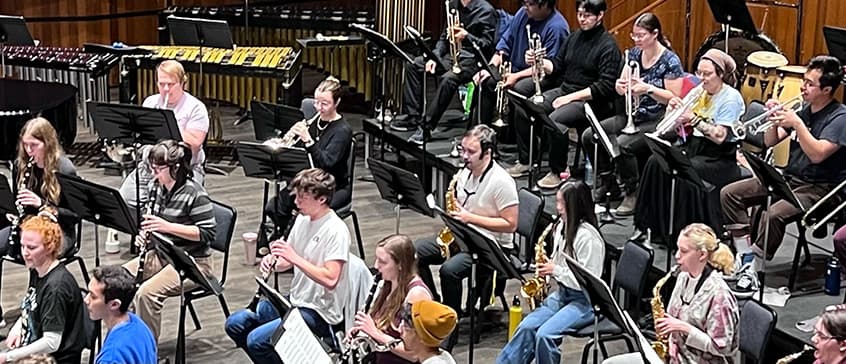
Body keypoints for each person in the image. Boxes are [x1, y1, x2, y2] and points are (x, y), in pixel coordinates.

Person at [721, 55, 846, 275]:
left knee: (773, 214)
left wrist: (797, 124)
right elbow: (770, 141)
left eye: (810, 83)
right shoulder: (804, 109)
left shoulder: (839, 117)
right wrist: (773, 117)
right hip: (789, 179)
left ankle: (754, 269)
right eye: (804, 80)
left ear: (827, 90)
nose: (803, 87)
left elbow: (818, 154)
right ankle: (745, 254)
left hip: (819, 189)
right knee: (730, 194)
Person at [225, 168, 350, 364]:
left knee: (256, 341)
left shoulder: (336, 230)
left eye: (303, 197)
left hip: (320, 312)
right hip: (296, 299)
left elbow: (331, 279)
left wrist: (294, 258)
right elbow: (285, 262)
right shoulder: (301, 219)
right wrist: (274, 263)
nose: (297, 202)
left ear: (322, 199)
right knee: (235, 324)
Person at [413, 124, 518, 347]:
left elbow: (510, 224)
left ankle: (450, 323)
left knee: (449, 270)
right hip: (464, 237)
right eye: (462, 150)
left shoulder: (501, 182)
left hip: (491, 246)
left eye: (470, 152)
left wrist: (469, 218)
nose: (464, 156)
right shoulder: (463, 174)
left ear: (487, 153)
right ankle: (435, 304)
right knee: (414, 253)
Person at [632, 48, 745, 245]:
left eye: (707, 74)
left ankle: (680, 235)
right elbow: (670, 127)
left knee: (684, 172)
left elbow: (720, 136)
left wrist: (694, 120)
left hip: (719, 158)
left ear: (720, 74)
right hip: (694, 147)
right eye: (699, 73)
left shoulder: (730, 98)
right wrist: (671, 112)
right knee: (654, 162)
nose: (702, 78)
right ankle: (648, 226)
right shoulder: (699, 90)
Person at [510, 0, 622, 189]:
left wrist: (569, 98)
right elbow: (558, 65)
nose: (582, 19)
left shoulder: (608, 45)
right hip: (567, 89)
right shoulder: (574, 37)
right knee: (525, 106)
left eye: (587, 15)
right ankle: (526, 159)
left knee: (556, 120)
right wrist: (540, 60)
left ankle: (558, 171)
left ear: (600, 15)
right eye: (579, 14)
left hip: (591, 100)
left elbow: (604, 87)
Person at [580, 12, 684, 214]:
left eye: (641, 35)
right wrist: (621, 86)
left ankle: (632, 192)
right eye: (634, 35)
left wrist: (647, 89)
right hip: (632, 115)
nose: (636, 40)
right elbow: (622, 84)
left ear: (655, 34)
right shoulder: (634, 55)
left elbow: (674, 98)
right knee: (590, 135)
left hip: (658, 118)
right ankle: (608, 182)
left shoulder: (670, 61)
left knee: (624, 145)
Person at [497, 180, 604, 364]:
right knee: (526, 327)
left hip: (586, 301)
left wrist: (556, 270)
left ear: (574, 206)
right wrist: (547, 268)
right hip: (563, 294)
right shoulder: (562, 226)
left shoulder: (589, 239)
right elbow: (558, 259)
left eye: (561, 203)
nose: (558, 208)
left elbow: (588, 281)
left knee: (545, 335)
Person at [122, 139, 216, 342]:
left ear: (175, 167)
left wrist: (166, 226)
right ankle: (130, 341)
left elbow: (207, 233)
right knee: (119, 283)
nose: (154, 173)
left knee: (146, 294)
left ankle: (147, 352)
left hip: (192, 262)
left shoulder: (195, 193)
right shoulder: (156, 187)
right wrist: (144, 237)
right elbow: (152, 224)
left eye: (158, 168)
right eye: (152, 167)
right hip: (162, 255)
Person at [603, 223, 739, 364]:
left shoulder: (719, 295)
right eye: (677, 249)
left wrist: (683, 328)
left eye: (684, 251)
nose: (677, 256)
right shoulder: (683, 277)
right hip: (674, 357)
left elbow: (722, 348)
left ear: (702, 255)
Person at [261, 76, 353, 252]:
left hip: (332, 187)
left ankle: (296, 249)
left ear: (337, 102)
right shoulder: (313, 121)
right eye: (316, 102)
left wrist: (308, 140)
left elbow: (327, 163)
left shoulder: (342, 131)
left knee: (302, 214)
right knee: (274, 206)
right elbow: (300, 154)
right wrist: (288, 142)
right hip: (307, 183)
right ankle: (283, 241)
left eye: (324, 103)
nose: (318, 108)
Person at [391, 0, 497, 144]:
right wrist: (434, 57)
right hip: (452, 56)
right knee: (414, 65)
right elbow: (443, 39)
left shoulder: (486, 10)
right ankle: (413, 116)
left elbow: (488, 44)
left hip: (473, 60)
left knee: (448, 79)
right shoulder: (453, 5)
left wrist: (467, 36)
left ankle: (426, 127)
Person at [119, 59, 209, 208]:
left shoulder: (196, 108)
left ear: (182, 83)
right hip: (151, 166)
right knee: (125, 200)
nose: (166, 89)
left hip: (183, 169)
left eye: (171, 84)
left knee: (177, 209)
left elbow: (195, 143)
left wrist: (169, 122)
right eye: (161, 84)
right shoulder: (150, 102)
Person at [1, 211, 88, 364]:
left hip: (52, 360)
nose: (25, 253)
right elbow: (32, 306)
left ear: (50, 247)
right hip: (34, 351)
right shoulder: (37, 268)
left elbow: (51, 342)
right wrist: (18, 324)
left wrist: (9, 357)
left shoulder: (56, 288)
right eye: (23, 246)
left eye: (32, 248)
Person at [472, 0, 569, 129]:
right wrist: (490, 68)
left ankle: (514, 136)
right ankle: (480, 132)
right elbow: (506, 42)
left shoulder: (557, 27)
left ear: (545, 5)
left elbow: (550, 67)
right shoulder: (523, 14)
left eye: (530, 4)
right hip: (515, 69)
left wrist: (516, 76)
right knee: (486, 80)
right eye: (524, 3)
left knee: (519, 89)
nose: (525, 7)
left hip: (541, 76)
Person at [0, 117, 78, 260]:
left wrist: (42, 205)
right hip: (29, 225)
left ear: (47, 144)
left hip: (59, 230)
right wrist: (14, 214)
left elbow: (74, 215)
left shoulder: (65, 169)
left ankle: (39, 282)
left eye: (34, 145)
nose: (29, 150)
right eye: (25, 144)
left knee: (37, 251)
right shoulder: (21, 165)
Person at [348, 235, 432, 364]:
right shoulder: (389, 282)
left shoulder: (417, 296)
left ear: (400, 265)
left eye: (382, 262)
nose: (376, 266)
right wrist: (364, 333)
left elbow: (415, 355)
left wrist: (375, 333)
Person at [84, 265, 157, 364]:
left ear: (114, 304)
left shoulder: (111, 358)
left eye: (93, 296)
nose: (86, 300)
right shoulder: (138, 323)